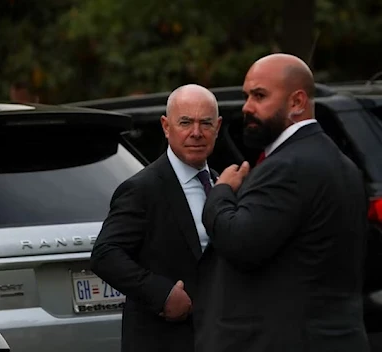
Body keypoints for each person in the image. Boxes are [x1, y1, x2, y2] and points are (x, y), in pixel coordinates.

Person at [196, 53, 370, 352]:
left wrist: (220, 193)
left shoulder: (288, 166)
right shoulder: (341, 164)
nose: (247, 107)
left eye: (259, 95)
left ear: (297, 102)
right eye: (246, 96)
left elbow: (240, 243)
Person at [90, 84, 222, 352]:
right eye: (185, 122)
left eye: (205, 123)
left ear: (218, 127)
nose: (196, 133)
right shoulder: (142, 188)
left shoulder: (223, 185)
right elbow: (106, 254)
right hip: (162, 339)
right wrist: (162, 294)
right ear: (166, 126)